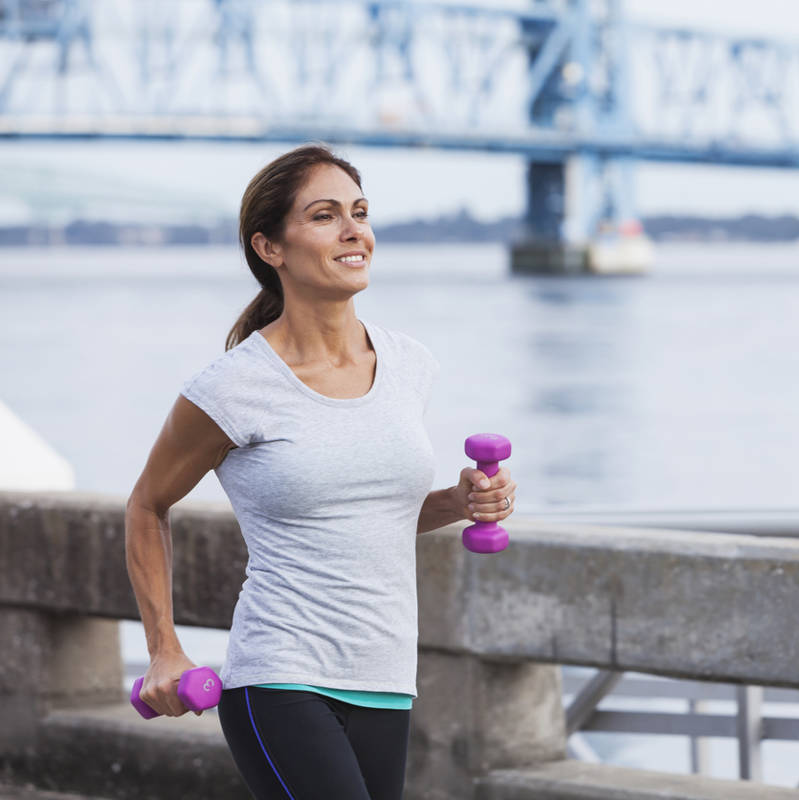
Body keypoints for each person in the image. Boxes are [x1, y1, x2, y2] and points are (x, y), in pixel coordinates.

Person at [124, 143, 517, 800]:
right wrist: (164, 647)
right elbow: (145, 505)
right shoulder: (234, 387)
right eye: (325, 215)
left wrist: (459, 500)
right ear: (270, 247)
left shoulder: (409, 363)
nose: (353, 230)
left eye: (359, 212)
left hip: (385, 677)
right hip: (280, 676)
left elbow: (370, 515)